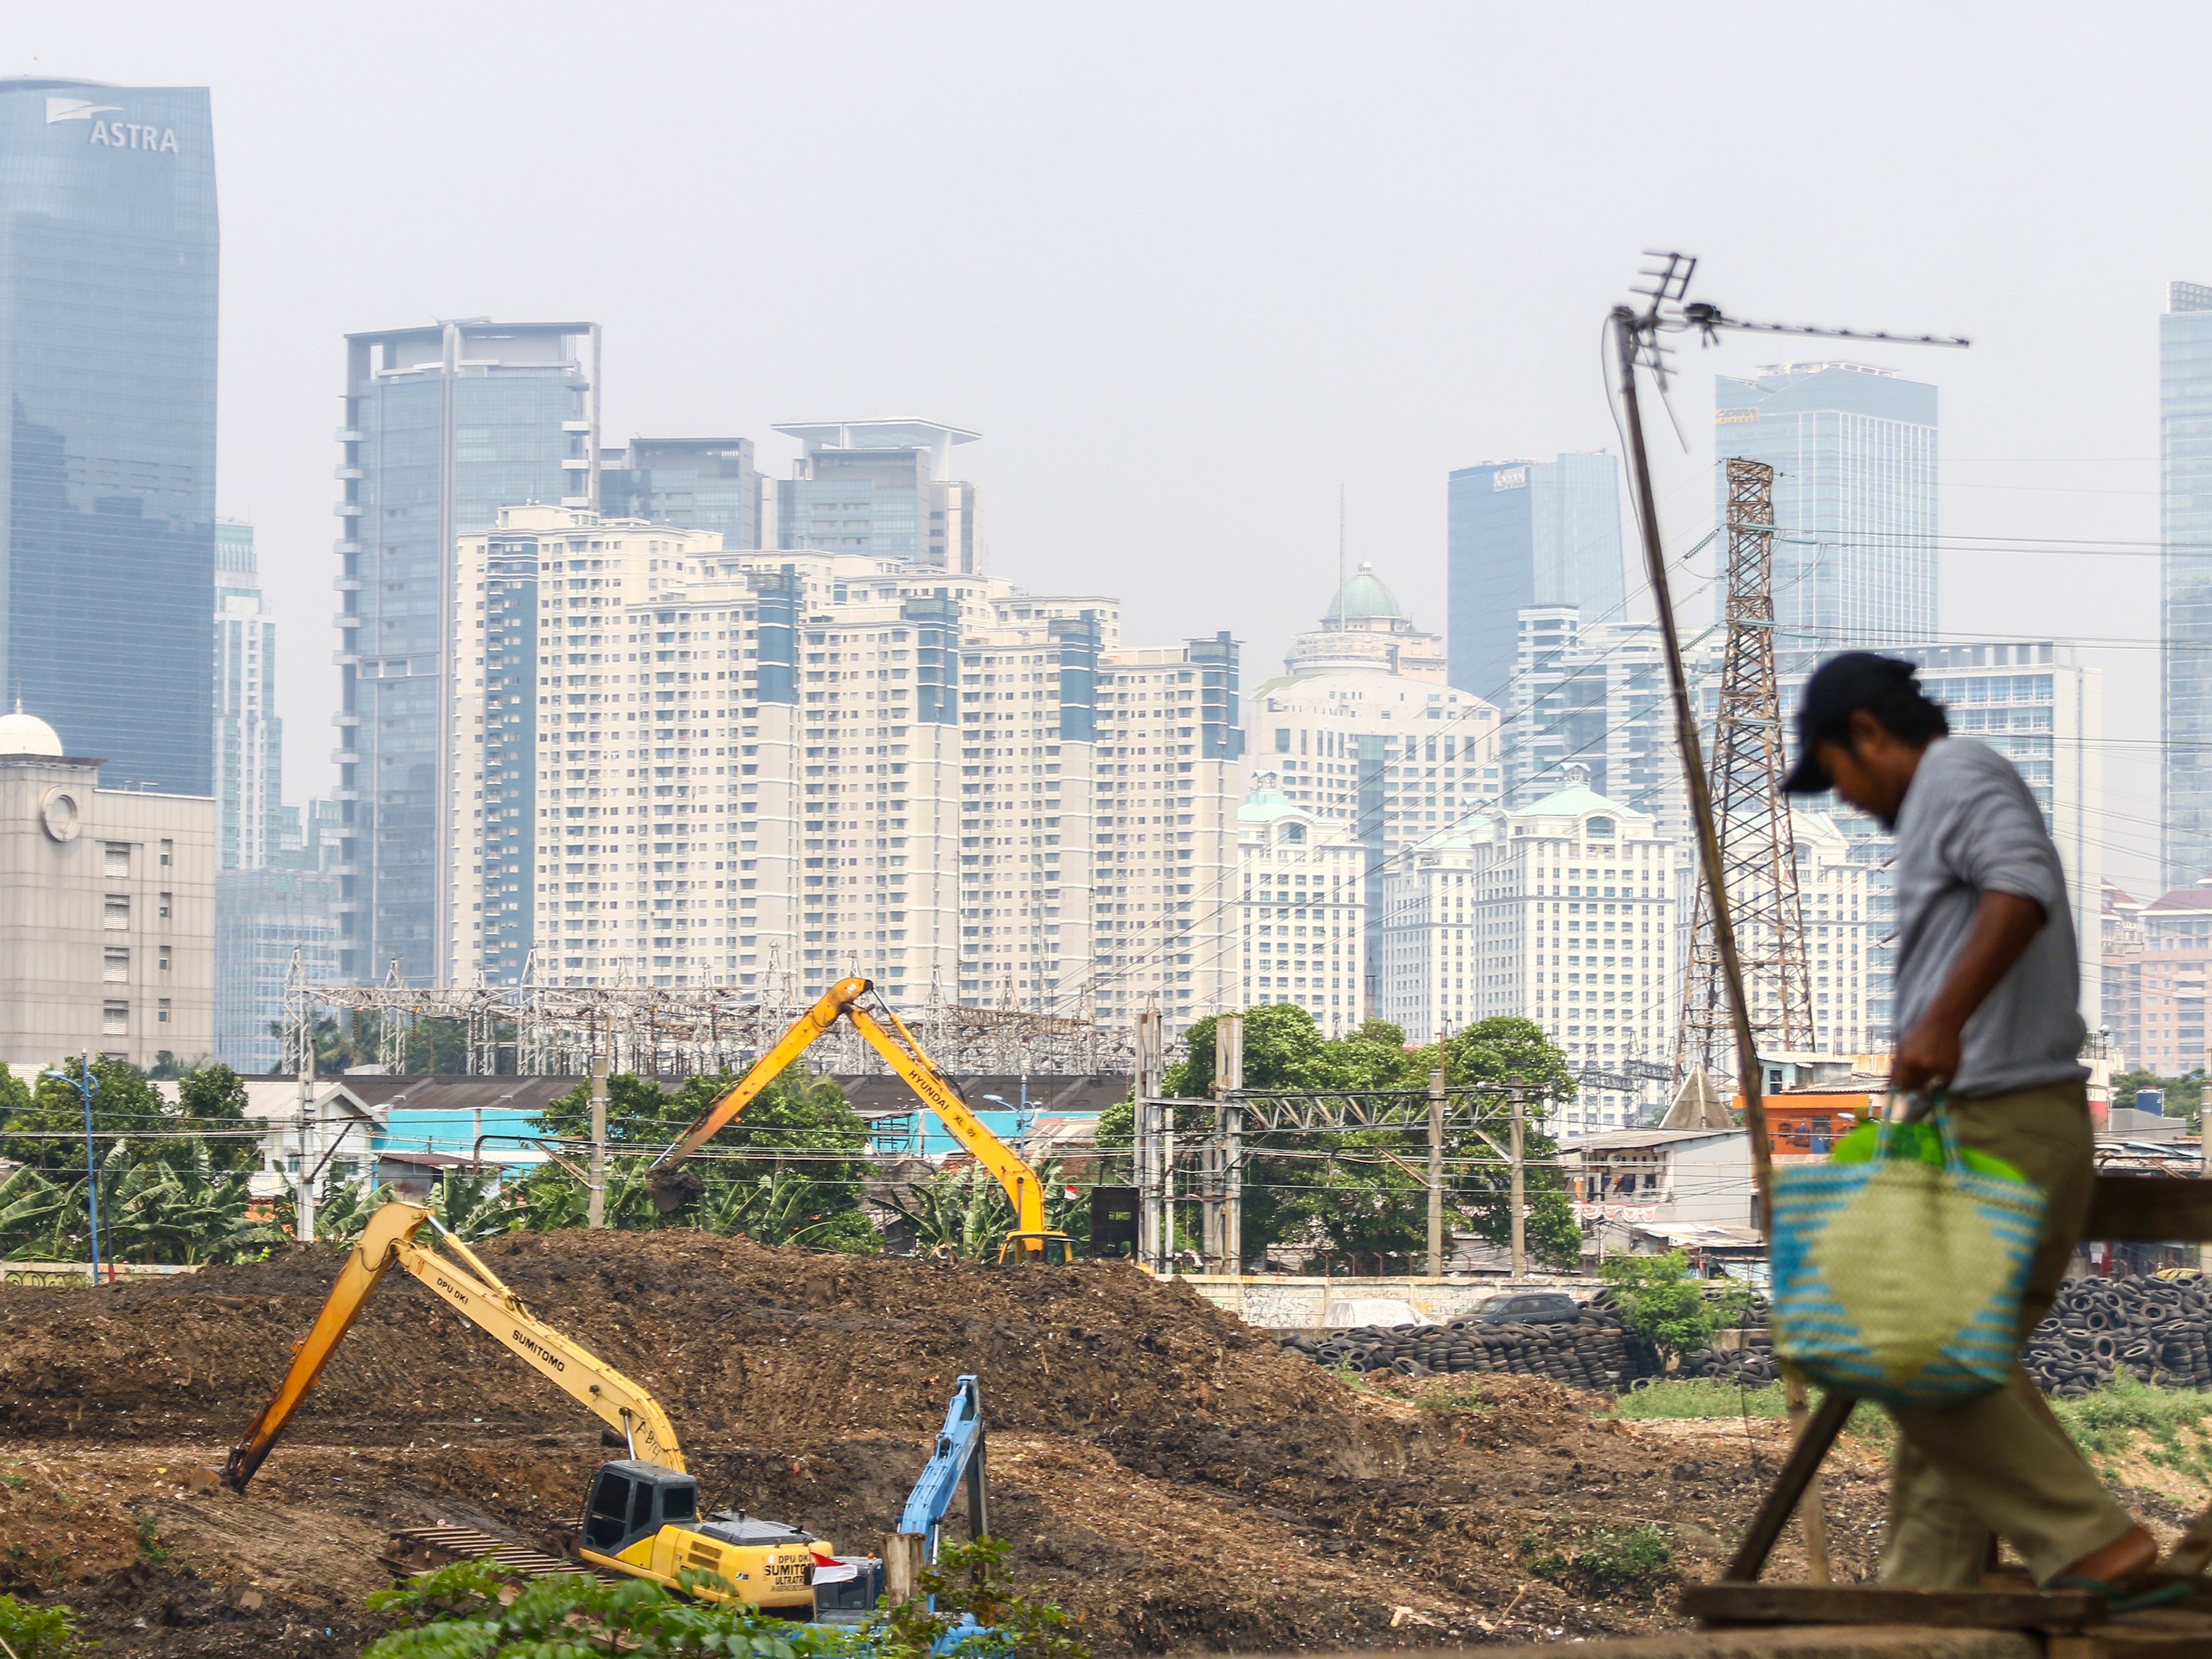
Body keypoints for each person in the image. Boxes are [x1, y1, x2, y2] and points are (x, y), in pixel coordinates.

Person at [1783, 652, 2169, 1602]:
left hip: (1998, 1119)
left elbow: (2021, 887)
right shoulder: (1940, 799)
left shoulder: (1956, 773)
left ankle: (2091, 1542)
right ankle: (1925, 1591)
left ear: (1868, 735)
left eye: (1836, 771)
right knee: (1951, 1369)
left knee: (1899, 1347)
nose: (1846, 797)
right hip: (2008, 1120)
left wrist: (1942, 1020)